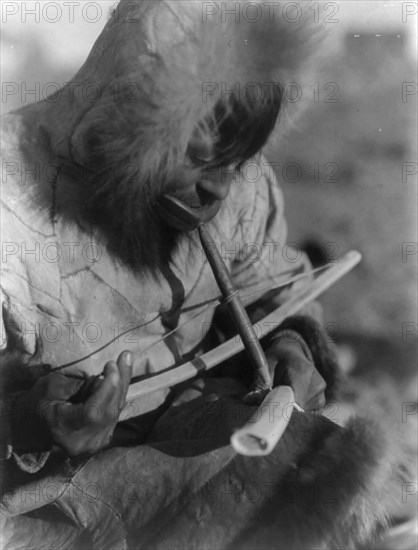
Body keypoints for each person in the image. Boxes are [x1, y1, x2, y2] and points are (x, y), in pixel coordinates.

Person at [0, 2, 407, 548]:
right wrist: (33, 418)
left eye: (238, 162)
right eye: (199, 160)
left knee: (347, 482)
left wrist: (292, 344)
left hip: (207, 448)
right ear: (128, 123)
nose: (220, 189)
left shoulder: (232, 183)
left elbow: (273, 282)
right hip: (60, 496)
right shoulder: (12, 212)